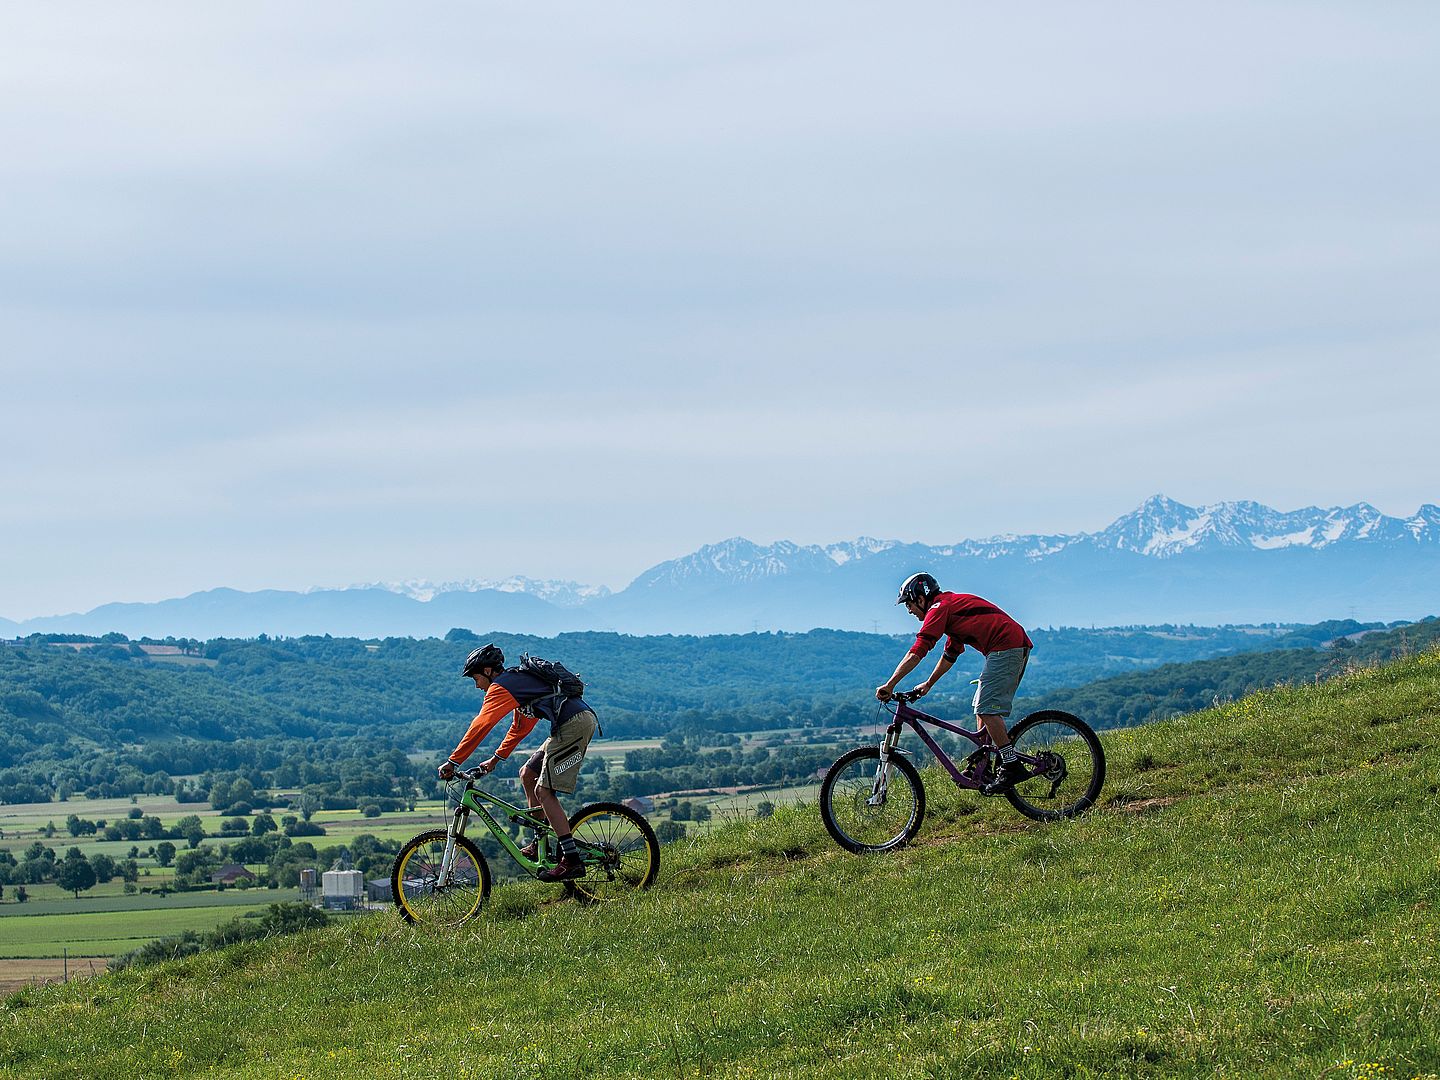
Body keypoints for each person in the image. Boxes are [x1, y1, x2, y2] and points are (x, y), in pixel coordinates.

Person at [437, 643, 599, 882]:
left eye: (475, 677)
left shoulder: (502, 687)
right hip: (572, 722)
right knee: (527, 774)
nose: (476, 685)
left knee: (544, 791)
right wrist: (495, 759)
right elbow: (520, 727)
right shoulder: (517, 684)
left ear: (489, 671)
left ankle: (572, 860)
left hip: (573, 724)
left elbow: (482, 725)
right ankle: (538, 841)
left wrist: (454, 761)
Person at [875, 573, 1034, 794]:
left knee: (987, 710)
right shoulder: (950, 609)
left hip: (1007, 647)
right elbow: (951, 653)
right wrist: (929, 684)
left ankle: (1011, 765)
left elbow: (919, 649)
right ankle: (985, 766)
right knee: (980, 707)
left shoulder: (939, 607)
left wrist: (890, 684)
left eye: (909, 604)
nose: (909, 610)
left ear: (921, 599)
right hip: (1008, 645)